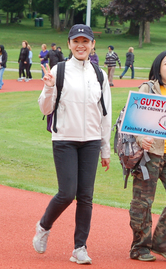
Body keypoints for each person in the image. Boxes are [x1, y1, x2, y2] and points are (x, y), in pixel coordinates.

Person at [34, 24, 112, 265]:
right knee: (67, 193)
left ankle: (80, 247)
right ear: (69, 44)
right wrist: (48, 88)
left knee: (86, 196)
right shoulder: (58, 71)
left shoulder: (99, 75)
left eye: (85, 41)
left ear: (92, 45)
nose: (81, 45)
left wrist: (105, 148)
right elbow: (45, 109)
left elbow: (105, 114)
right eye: (76, 41)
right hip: (64, 140)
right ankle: (44, 226)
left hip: (90, 142)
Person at [129, 50, 166, 262]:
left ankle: (162, 241)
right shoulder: (148, 88)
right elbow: (133, 118)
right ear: (158, 67)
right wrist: (139, 139)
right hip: (150, 155)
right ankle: (140, 246)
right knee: (143, 202)